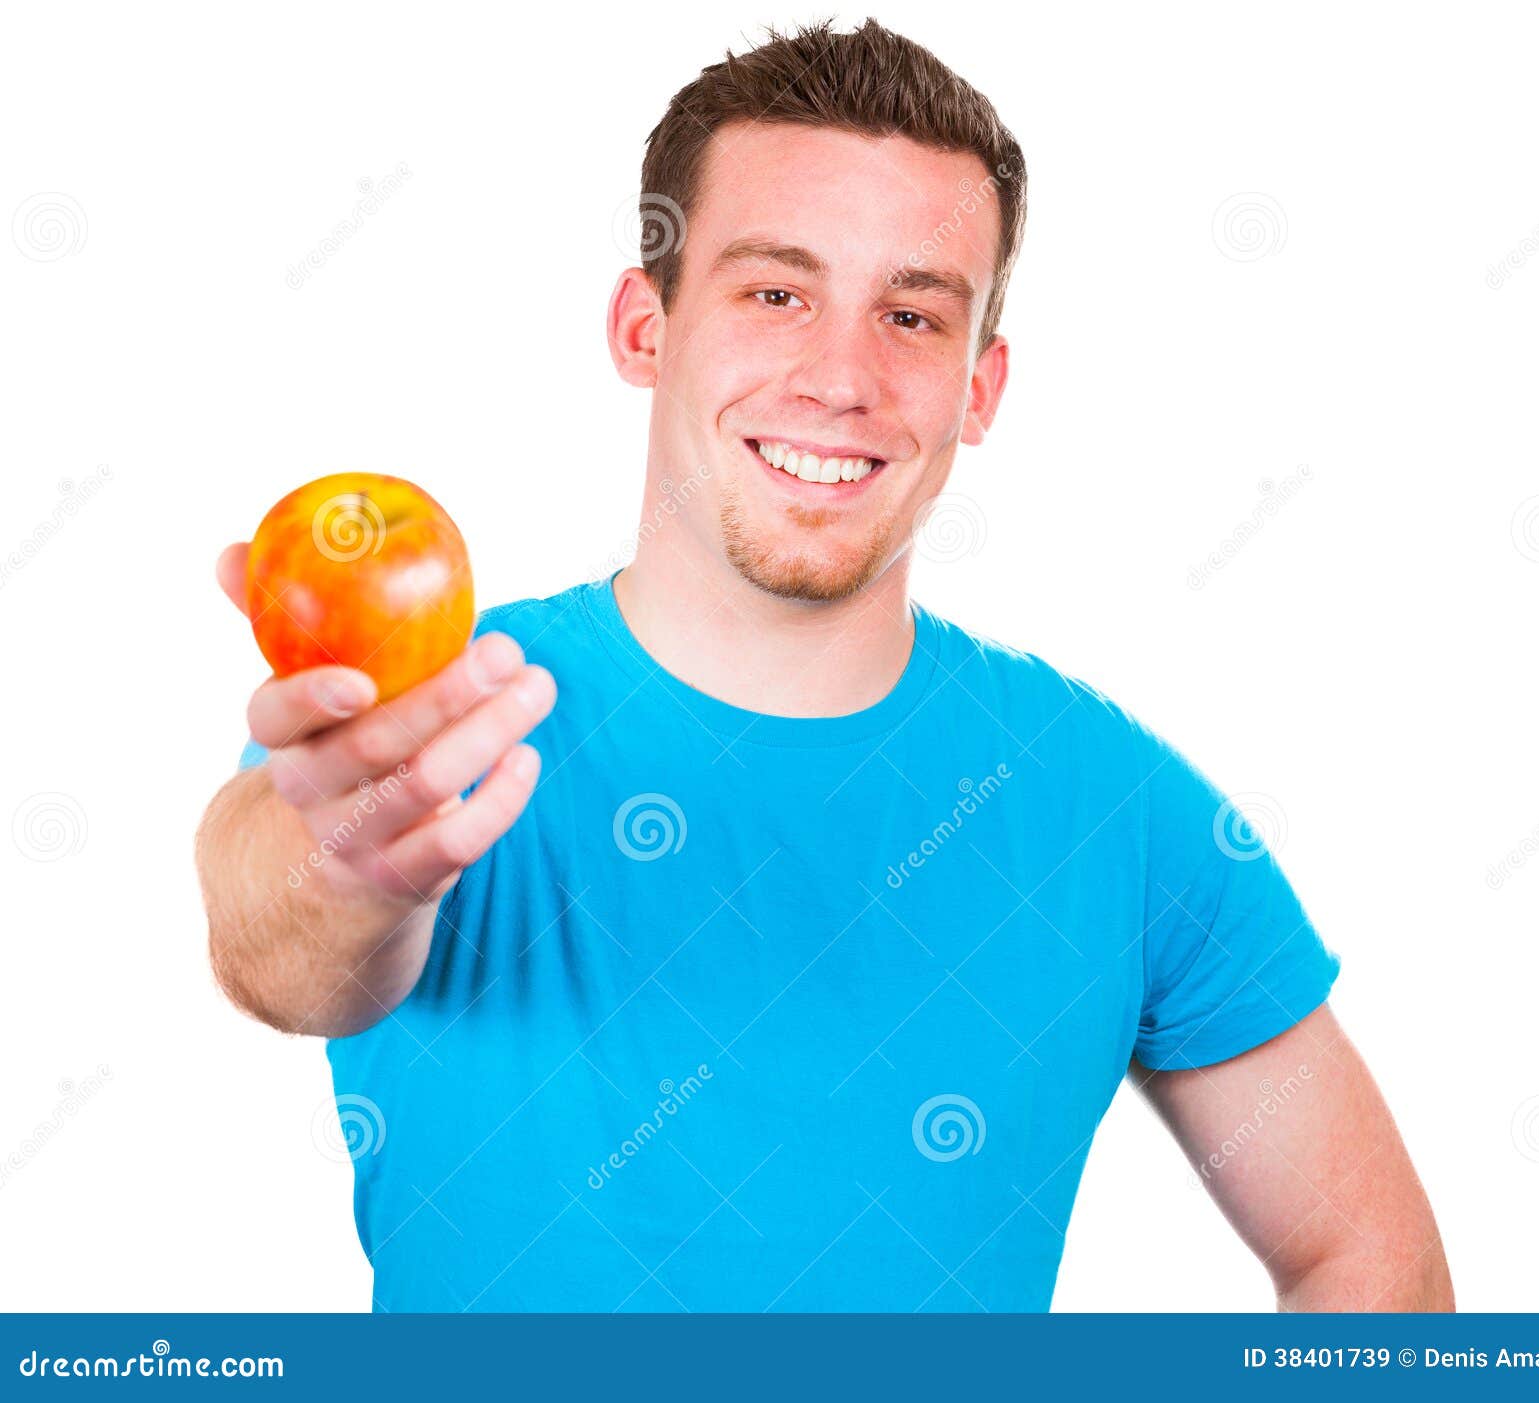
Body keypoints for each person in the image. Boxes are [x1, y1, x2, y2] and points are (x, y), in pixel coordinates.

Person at [196, 17, 1452, 1313]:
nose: (842, 377)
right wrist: (349, 875)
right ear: (644, 324)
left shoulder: (1113, 803)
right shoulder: (427, 732)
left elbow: (1373, 1262)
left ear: (980, 386)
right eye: (777, 293)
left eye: (911, 315)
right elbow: (280, 938)